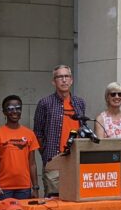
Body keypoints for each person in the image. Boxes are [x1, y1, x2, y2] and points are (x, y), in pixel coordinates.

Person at [33, 65, 86, 196]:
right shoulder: (45, 103)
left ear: (71, 80)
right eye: (59, 77)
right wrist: (46, 154)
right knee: (54, 202)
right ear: (53, 81)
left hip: (75, 161)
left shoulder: (80, 103)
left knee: (75, 201)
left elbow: (82, 129)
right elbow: (37, 133)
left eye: (66, 76)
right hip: (54, 160)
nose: (64, 80)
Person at [0, 95, 41, 200]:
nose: (15, 111)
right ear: (4, 112)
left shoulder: (29, 134)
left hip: (24, 187)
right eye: (10, 108)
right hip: (3, 187)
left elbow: (32, 164)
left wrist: (35, 187)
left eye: (18, 108)